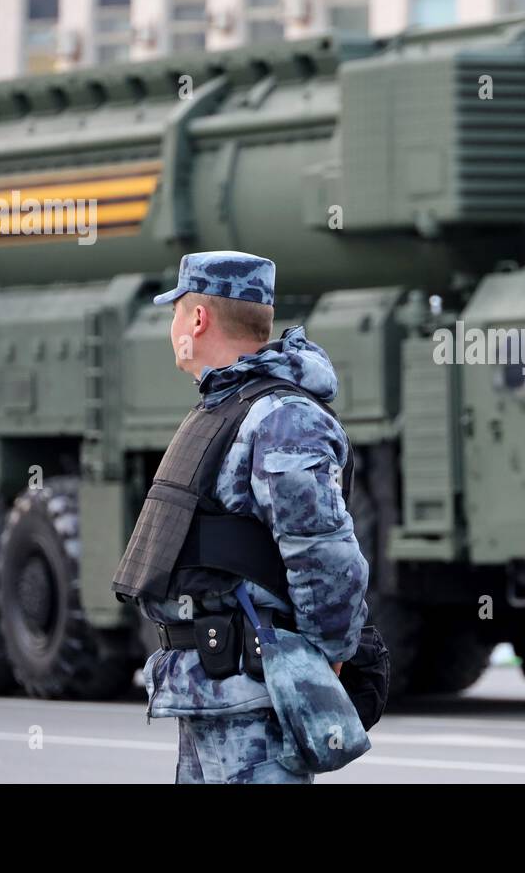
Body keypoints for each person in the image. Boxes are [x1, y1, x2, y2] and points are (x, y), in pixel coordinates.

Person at [111, 250, 371, 783]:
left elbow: (323, 551)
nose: (173, 326)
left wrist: (331, 653)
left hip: (253, 691)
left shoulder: (282, 417)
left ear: (199, 319)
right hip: (209, 688)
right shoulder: (227, 406)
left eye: (177, 311)